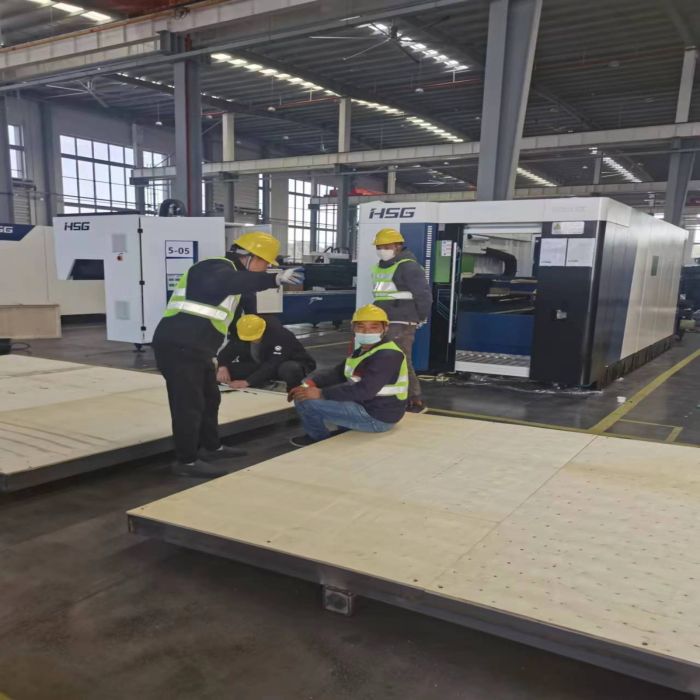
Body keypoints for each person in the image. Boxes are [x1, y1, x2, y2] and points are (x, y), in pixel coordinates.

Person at [152, 232, 303, 478]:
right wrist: (274, 278)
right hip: (178, 348)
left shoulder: (236, 283)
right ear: (251, 257)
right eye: (266, 263)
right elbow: (228, 281)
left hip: (199, 350)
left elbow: (235, 324)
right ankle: (186, 461)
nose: (266, 268)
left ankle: (211, 447)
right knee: (188, 405)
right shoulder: (213, 268)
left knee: (210, 398)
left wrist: (221, 359)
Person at [288, 304, 408, 447]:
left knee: (304, 401)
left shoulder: (387, 355)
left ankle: (317, 438)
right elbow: (338, 373)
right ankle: (347, 427)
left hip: (378, 418)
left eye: (373, 327)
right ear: (353, 328)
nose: (366, 332)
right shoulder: (364, 350)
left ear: (385, 329)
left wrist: (320, 393)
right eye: (361, 327)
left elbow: (365, 390)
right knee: (318, 393)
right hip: (369, 406)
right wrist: (309, 384)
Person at [371, 227, 432, 413]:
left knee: (401, 359)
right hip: (383, 319)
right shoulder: (381, 266)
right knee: (385, 359)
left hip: (401, 320)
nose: (381, 250)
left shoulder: (409, 266)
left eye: (386, 246)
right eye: (379, 246)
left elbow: (423, 295)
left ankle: (415, 400)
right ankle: (392, 396)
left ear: (398, 246)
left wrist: (421, 317)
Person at [217, 314, 316, 391]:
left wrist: (247, 382)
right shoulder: (244, 331)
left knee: (289, 368)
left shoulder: (281, 335)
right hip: (263, 364)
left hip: (285, 364)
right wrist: (222, 367)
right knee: (228, 370)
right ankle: (264, 382)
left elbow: (273, 364)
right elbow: (227, 352)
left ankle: (293, 389)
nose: (252, 340)